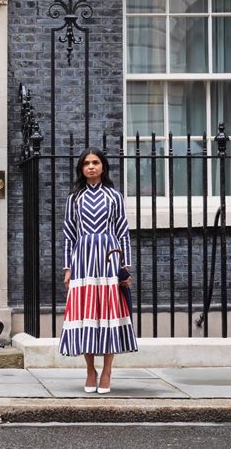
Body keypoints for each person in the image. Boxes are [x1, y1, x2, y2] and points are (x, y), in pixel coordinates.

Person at [58, 147, 137, 394]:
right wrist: (67, 268)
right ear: (81, 169)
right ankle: (90, 370)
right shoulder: (74, 198)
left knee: (109, 314)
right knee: (85, 314)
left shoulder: (115, 196)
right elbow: (69, 234)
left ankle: (107, 371)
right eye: (87, 163)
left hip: (109, 258)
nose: (91, 166)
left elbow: (123, 231)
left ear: (103, 166)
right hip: (82, 260)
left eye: (96, 162)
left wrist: (125, 267)